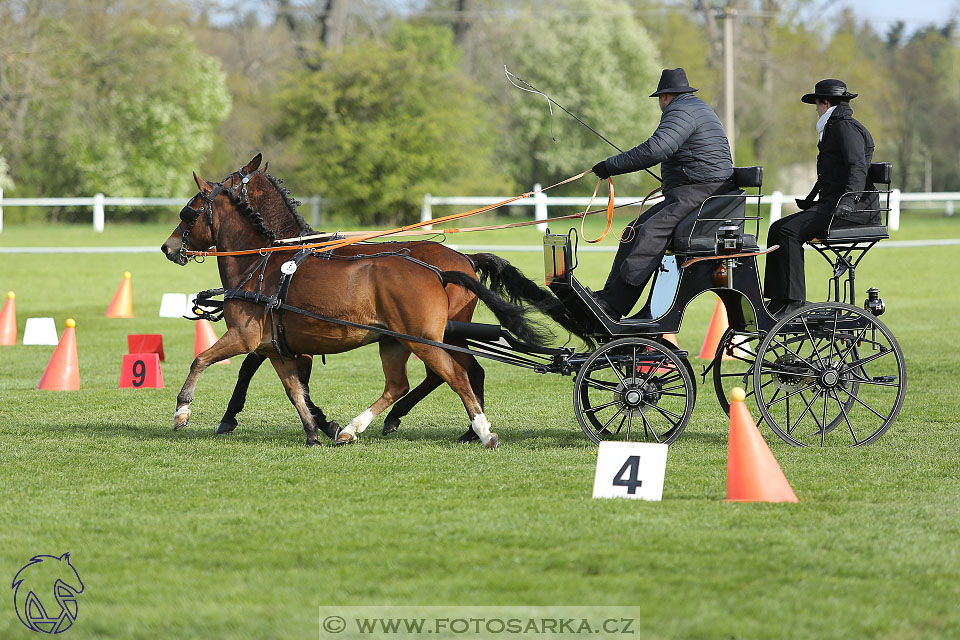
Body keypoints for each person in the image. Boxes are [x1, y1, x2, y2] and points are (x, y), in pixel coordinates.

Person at [591, 68, 734, 321]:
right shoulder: (694, 107)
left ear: (665, 96)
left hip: (703, 192)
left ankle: (614, 305)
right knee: (634, 229)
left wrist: (610, 165)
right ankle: (610, 297)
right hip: (697, 189)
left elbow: (657, 149)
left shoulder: (680, 110)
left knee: (649, 233)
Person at [764, 79, 878, 316]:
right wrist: (812, 200)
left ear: (825, 103)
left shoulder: (844, 128)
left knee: (787, 232)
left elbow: (857, 166)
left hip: (852, 211)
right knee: (777, 228)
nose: (816, 110)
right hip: (836, 205)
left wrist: (850, 199)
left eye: (817, 104)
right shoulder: (835, 127)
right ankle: (779, 300)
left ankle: (793, 301)